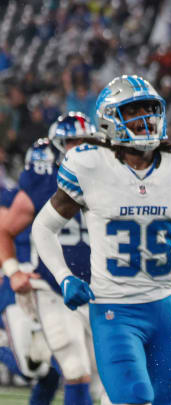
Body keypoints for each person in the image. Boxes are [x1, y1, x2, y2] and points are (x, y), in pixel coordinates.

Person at [31, 75, 171, 405]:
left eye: (150, 109)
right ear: (109, 119)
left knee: (169, 399)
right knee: (134, 396)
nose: (145, 118)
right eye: (134, 111)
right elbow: (42, 228)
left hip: (165, 307)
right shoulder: (89, 163)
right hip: (114, 309)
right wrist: (64, 278)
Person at [0, 112, 98, 405]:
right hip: (44, 286)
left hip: (98, 288)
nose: (78, 147)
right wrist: (12, 269)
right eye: (70, 142)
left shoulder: (106, 174)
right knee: (42, 367)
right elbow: (5, 230)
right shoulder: (35, 186)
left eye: (83, 141)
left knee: (94, 375)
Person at [0, 184, 61, 405]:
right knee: (32, 368)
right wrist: (10, 270)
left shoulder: (66, 191)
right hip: (19, 282)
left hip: (48, 284)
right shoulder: (12, 196)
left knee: (54, 369)